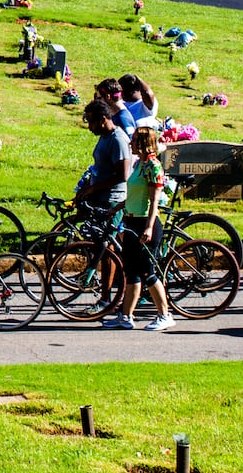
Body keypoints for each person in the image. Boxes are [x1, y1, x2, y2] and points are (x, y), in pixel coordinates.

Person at [103, 127, 175, 331]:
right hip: (132, 221)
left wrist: (150, 227)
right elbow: (135, 194)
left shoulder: (153, 166)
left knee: (147, 271)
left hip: (145, 223)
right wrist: (119, 207)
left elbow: (154, 201)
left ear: (143, 143)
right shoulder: (139, 164)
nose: (130, 144)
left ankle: (164, 314)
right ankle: (126, 315)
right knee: (132, 271)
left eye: (134, 140)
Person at [75, 101, 133, 213]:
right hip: (99, 196)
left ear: (102, 120)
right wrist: (87, 186)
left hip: (111, 200)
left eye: (91, 122)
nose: (89, 127)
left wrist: (93, 188)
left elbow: (122, 175)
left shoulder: (117, 140)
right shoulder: (104, 136)